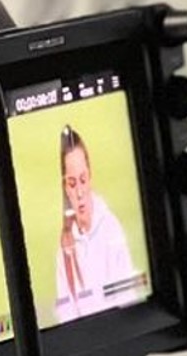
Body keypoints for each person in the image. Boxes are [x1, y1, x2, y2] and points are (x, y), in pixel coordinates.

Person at [53, 128, 141, 321]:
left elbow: (128, 300)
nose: (79, 193)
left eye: (83, 180)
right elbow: (65, 314)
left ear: (90, 177)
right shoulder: (64, 248)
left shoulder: (111, 229)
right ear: (65, 187)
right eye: (72, 183)